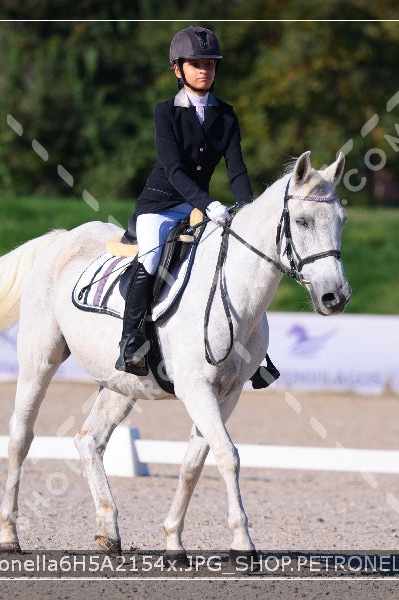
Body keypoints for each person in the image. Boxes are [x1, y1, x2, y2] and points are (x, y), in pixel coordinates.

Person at [115, 25, 255, 375]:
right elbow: (174, 170)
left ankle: (256, 354)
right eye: (196, 64)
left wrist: (249, 210)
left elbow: (236, 170)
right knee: (150, 261)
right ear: (178, 69)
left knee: (233, 261)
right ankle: (130, 342)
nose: (204, 70)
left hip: (198, 208)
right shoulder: (166, 111)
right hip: (160, 207)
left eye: (209, 63)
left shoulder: (226, 115)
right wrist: (208, 205)